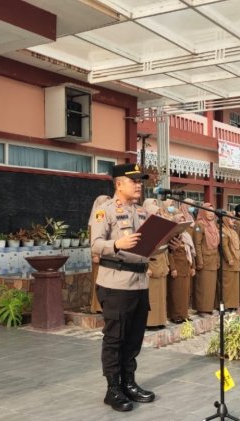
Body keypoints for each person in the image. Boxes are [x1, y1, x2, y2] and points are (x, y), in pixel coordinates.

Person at [90, 163, 154, 412]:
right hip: (116, 283)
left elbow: (144, 245)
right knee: (115, 338)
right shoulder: (104, 211)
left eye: (140, 181)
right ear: (119, 184)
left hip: (140, 282)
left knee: (134, 337)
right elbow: (95, 244)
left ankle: (129, 382)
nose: (139, 185)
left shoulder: (141, 212)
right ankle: (113, 388)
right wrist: (118, 243)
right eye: (133, 181)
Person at [143, 199, 171, 330]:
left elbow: (164, 249)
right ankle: (150, 322)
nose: (159, 214)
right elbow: (141, 252)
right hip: (151, 267)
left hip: (161, 265)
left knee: (160, 296)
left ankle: (160, 320)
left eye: (159, 211)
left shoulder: (160, 229)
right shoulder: (143, 228)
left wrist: (167, 264)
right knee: (151, 296)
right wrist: (146, 267)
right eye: (155, 212)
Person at [193, 203, 220, 316]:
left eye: (212, 211)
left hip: (213, 259)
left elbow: (217, 245)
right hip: (204, 260)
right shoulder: (199, 225)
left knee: (210, 285)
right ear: (203, 212)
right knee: (203, 285)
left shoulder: (213, 225)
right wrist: (199, 261)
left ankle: (208, 307)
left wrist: (218, 259)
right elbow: (197, 244)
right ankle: (201, 308)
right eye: (208, 211)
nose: (211, 214)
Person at [167, 213, 195, 323]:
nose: (182, 223)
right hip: (177, 269)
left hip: (186, 267)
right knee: (176, 293)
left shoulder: (186, 235)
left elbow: (191, 253)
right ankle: (175, 316)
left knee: (185, 293)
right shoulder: (171, 235)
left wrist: (193, 266)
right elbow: (169, 253)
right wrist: (172, 268)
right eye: (180, 220)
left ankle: (184, 314)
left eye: (184, 220)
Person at [89, 195, 111, 314]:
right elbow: (93, 239)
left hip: (107, 255)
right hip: (98, 254)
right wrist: (94, 255)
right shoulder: (96, 218)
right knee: (98, 281)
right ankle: (97, 306)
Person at [220, 213, 240, 310]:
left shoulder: (233, 231)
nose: (233, 220)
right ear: (225, 220)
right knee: (227, 285)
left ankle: (233, 304)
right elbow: (224, 246)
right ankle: (227, 305)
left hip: (236, 260)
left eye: (233, 219)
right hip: (229, 262)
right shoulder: (223, 231)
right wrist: (229, 258)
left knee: (234, 285)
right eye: (231, 219)